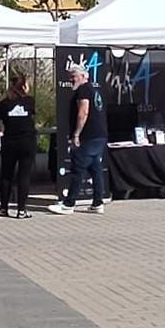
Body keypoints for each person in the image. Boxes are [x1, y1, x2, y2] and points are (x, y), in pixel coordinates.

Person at [49, 61, 108, 215]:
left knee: (77, 169)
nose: (71, 80)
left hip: (88, 136)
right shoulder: (94, 90)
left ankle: (69, 204)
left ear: (83, 76)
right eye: (70, 77)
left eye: (73, 77)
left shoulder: (83, 90)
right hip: (99, 136)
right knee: (96, 169)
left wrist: (76, 134)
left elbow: (83, 112)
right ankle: (98, 202)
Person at [0, 73, 37, 218]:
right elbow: (32, 115)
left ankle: (3, 207)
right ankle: (22, 210)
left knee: (6, 175)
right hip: (27, 141)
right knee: (24, 175)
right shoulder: (29, 101)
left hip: (10, 142)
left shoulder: (4, 103)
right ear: (24, 86)